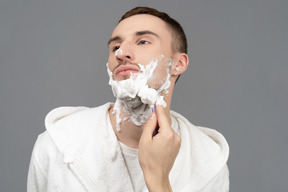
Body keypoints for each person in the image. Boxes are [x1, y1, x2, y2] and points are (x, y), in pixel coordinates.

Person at [27, 7, 229, 192]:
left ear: (178, 63)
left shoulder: (208, 162)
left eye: (143, 42)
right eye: (115, 47)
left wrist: (158, 180)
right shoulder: (57, 144)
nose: (121, 53)